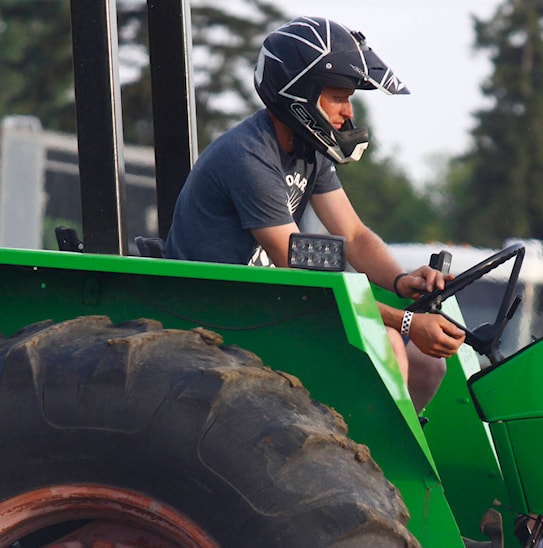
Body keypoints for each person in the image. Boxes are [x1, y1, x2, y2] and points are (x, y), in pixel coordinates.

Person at [164, 16, 465, 412]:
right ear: (299, 94)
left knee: (429, 364)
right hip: (220, 314)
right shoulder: (249, 157)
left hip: (264, 304)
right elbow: (296, 270)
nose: (348, 113)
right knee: (386, 341)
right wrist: (405, 323)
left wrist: (400, 279)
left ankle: (391, 467)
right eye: (338, 96)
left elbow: (354, 236)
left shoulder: (308, 150)